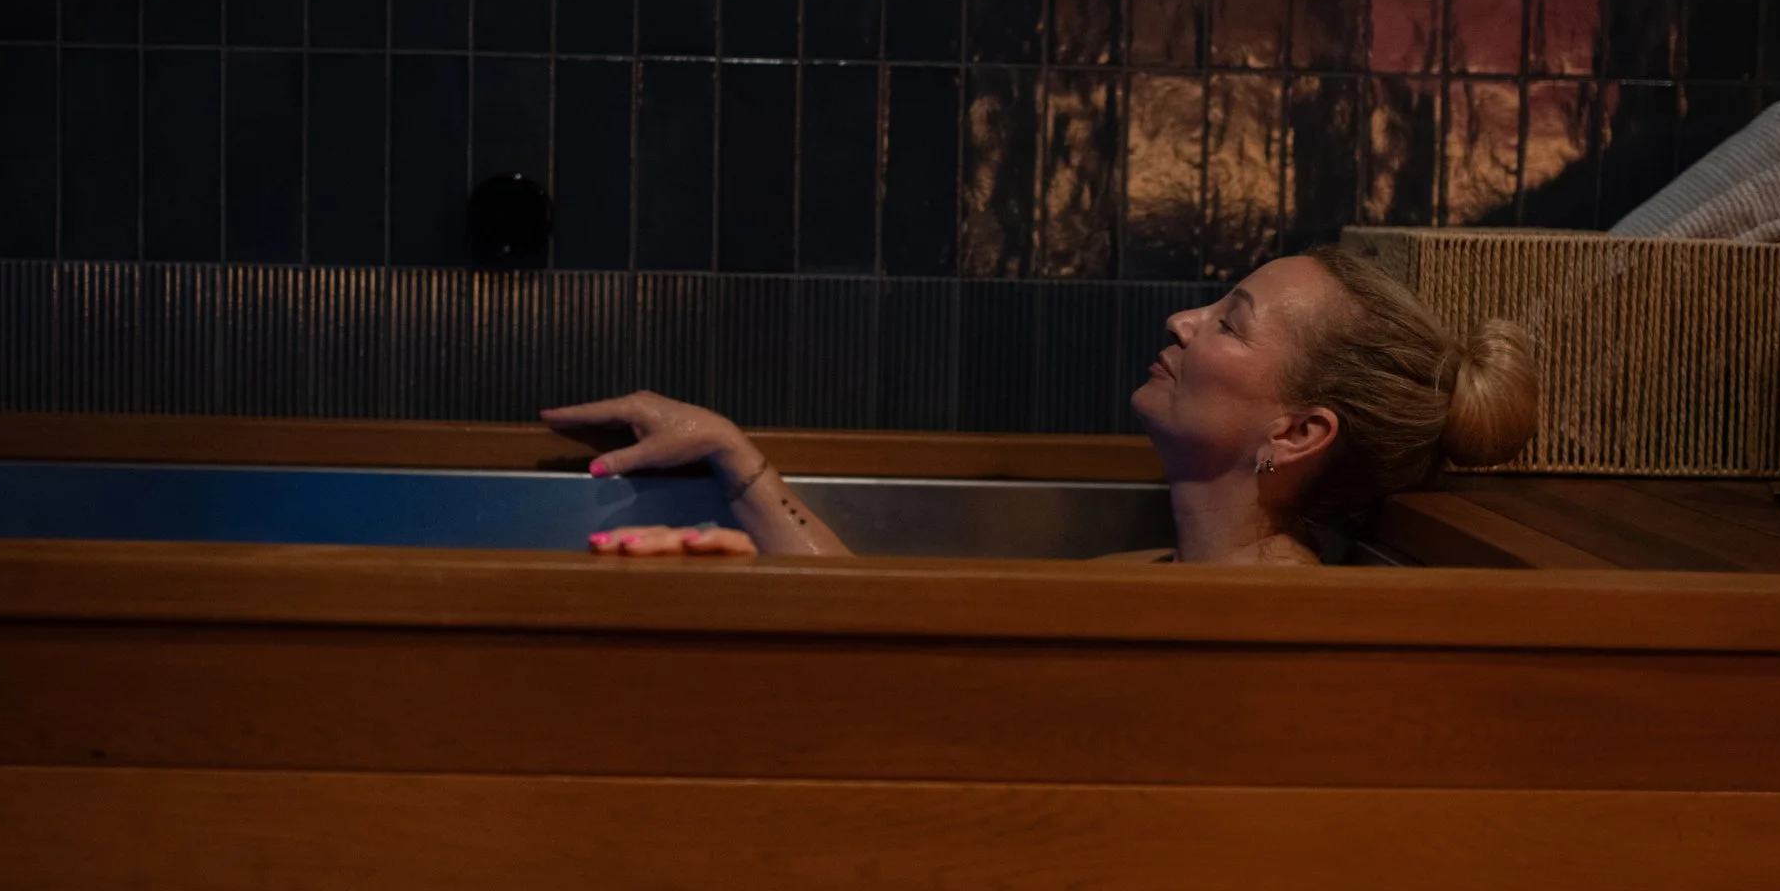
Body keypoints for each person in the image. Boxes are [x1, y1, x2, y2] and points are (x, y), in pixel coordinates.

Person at [541, 244, 1539, 566]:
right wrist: (735, 457)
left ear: (1298, 430)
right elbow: (903, 637)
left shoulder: (1273, 631)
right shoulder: (1159, 577)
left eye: (1229, 321)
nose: (1185, 319)